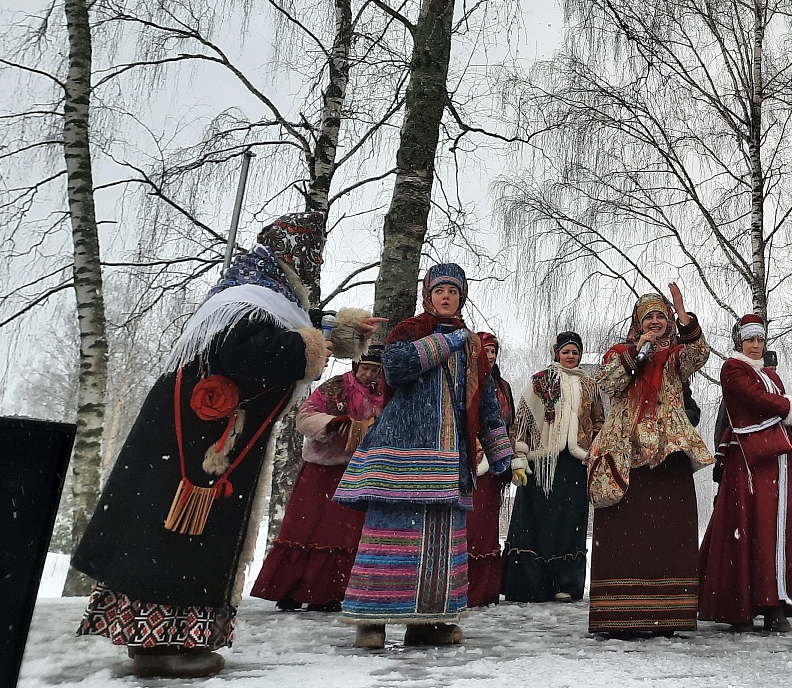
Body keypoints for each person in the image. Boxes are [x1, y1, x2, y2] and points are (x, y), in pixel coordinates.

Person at [72, 212, 380, 678]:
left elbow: (285, 327)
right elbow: (249, 351)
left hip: (196, 440)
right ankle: (167, 644)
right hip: (199, 449)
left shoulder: (253, 293)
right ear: (291, 259)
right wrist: (308, 349)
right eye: (309, 261)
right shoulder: (249, 301)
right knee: (180, 536)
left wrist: (340, 330)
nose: (310, 273)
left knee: (164, 532)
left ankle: (152, 638)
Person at [335, 263, 514, 649]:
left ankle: (430, 621)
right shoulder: (411, 329)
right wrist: (443, 342)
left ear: (461, 297)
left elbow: (486, 404)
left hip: (450, 456)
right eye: (439, 291)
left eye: (453, 291)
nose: (445, 297)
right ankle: (372, 621)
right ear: (428, 296)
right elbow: (395, 369)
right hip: (401, 451)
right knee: (388, 537)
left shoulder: (473, 348)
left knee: (439, 540)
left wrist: (502, 455)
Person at [586, 285, 711, 636]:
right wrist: (637, 353)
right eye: (648, 317)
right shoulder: (619, 353)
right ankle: (619, 615)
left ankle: (668, 614)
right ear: (637, 324)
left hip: (668, 456)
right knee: (625, 536)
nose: (655, 322)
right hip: (626, 456)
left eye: (661, 316)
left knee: (668, 534)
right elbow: (607, 384)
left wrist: (685, 318)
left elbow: (698, 354)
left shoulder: (674, 358)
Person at [698, 313, 792, 631]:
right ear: (740, 342)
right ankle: (740, 604)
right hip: (747, 462)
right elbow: (758, 401)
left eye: (760, 339)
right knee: (748, 527)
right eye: (750, 340)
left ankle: (774, 602)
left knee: (774, 529)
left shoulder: (771, 377)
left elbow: (780, 408)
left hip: (776, 461)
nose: (756, 345)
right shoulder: (733, 369)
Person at [252, 342, 389, 612]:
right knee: (305, 527)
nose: (369, 375)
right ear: (355, 366)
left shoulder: (384, 395)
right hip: (321, 469)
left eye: (375, 370)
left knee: (342, 533)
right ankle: (291, 590)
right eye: (365, 368)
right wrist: (331, 423)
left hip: (357, 470)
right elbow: (304, 416)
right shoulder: (335, 387)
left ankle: (329, 592)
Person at [501, 330, 604, 602]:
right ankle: (530, 584)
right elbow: (523, 419)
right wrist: (519, 456)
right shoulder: (540, 381)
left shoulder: (590, 385)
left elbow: (598, 422)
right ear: (556, 352)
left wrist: (595, 451)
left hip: (575, 461)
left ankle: (566, 584)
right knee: (537, 521)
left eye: (575, 352)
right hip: (543, 462)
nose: (570, 356)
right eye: (566, 351)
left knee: (570, 522)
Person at [466, 333, 513, 607]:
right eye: (487, 351)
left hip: (495, 465)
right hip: (470, 465)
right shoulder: (467, 382)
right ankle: (464, 588)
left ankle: (485, 590)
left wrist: (508, 456)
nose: (491, 356)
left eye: (494, 351)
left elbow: (509, 422)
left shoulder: (503, 386)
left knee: (487, 530)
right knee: (468, 529)